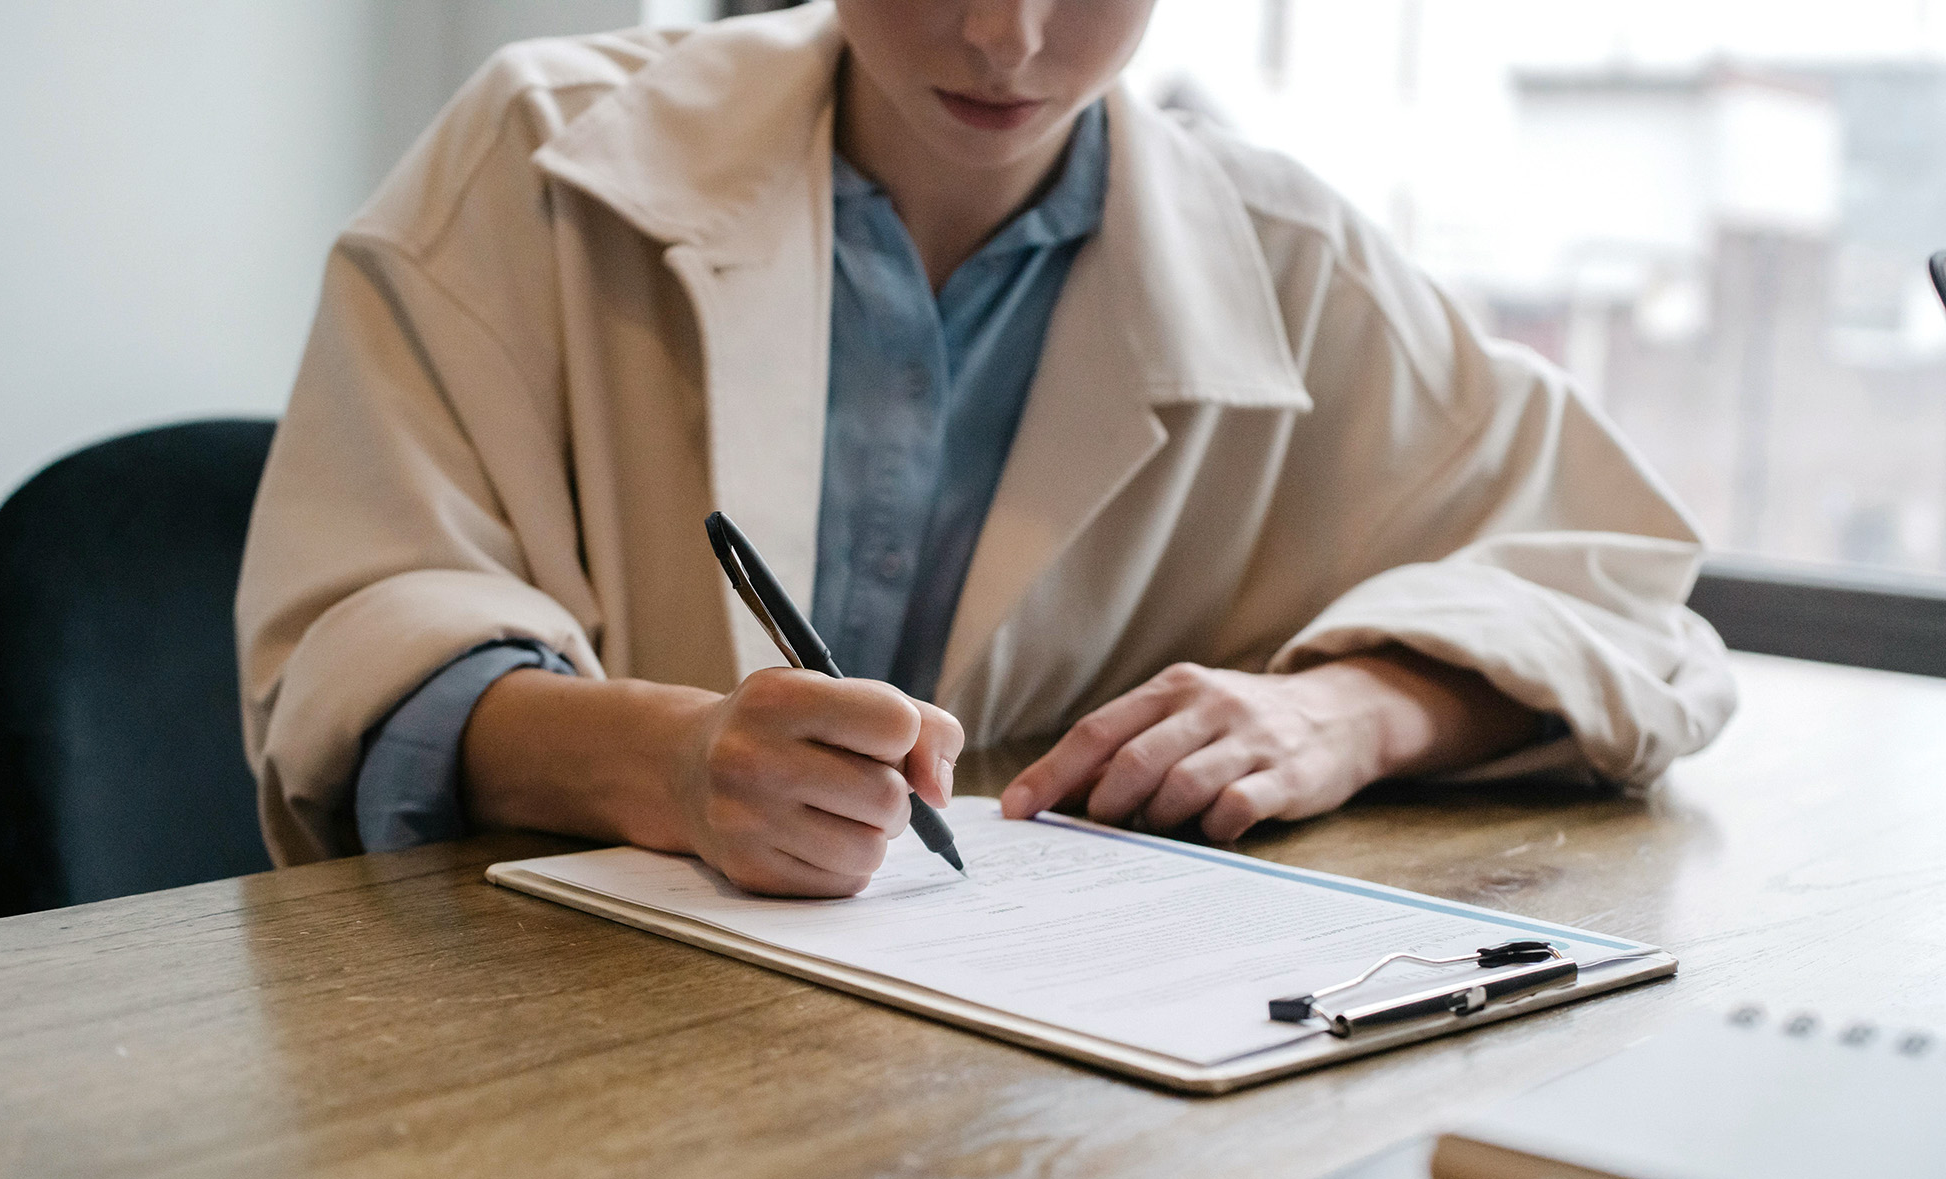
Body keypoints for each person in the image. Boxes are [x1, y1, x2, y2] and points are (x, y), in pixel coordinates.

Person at [236, 0, 1735, 898]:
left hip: (1042, 1102)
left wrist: (1353, 711)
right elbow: (358, 647)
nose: (1008, 39)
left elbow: (1632, 604)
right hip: (551, 1061)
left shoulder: (1294, 266)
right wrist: (676, 766)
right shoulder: (536, 155)